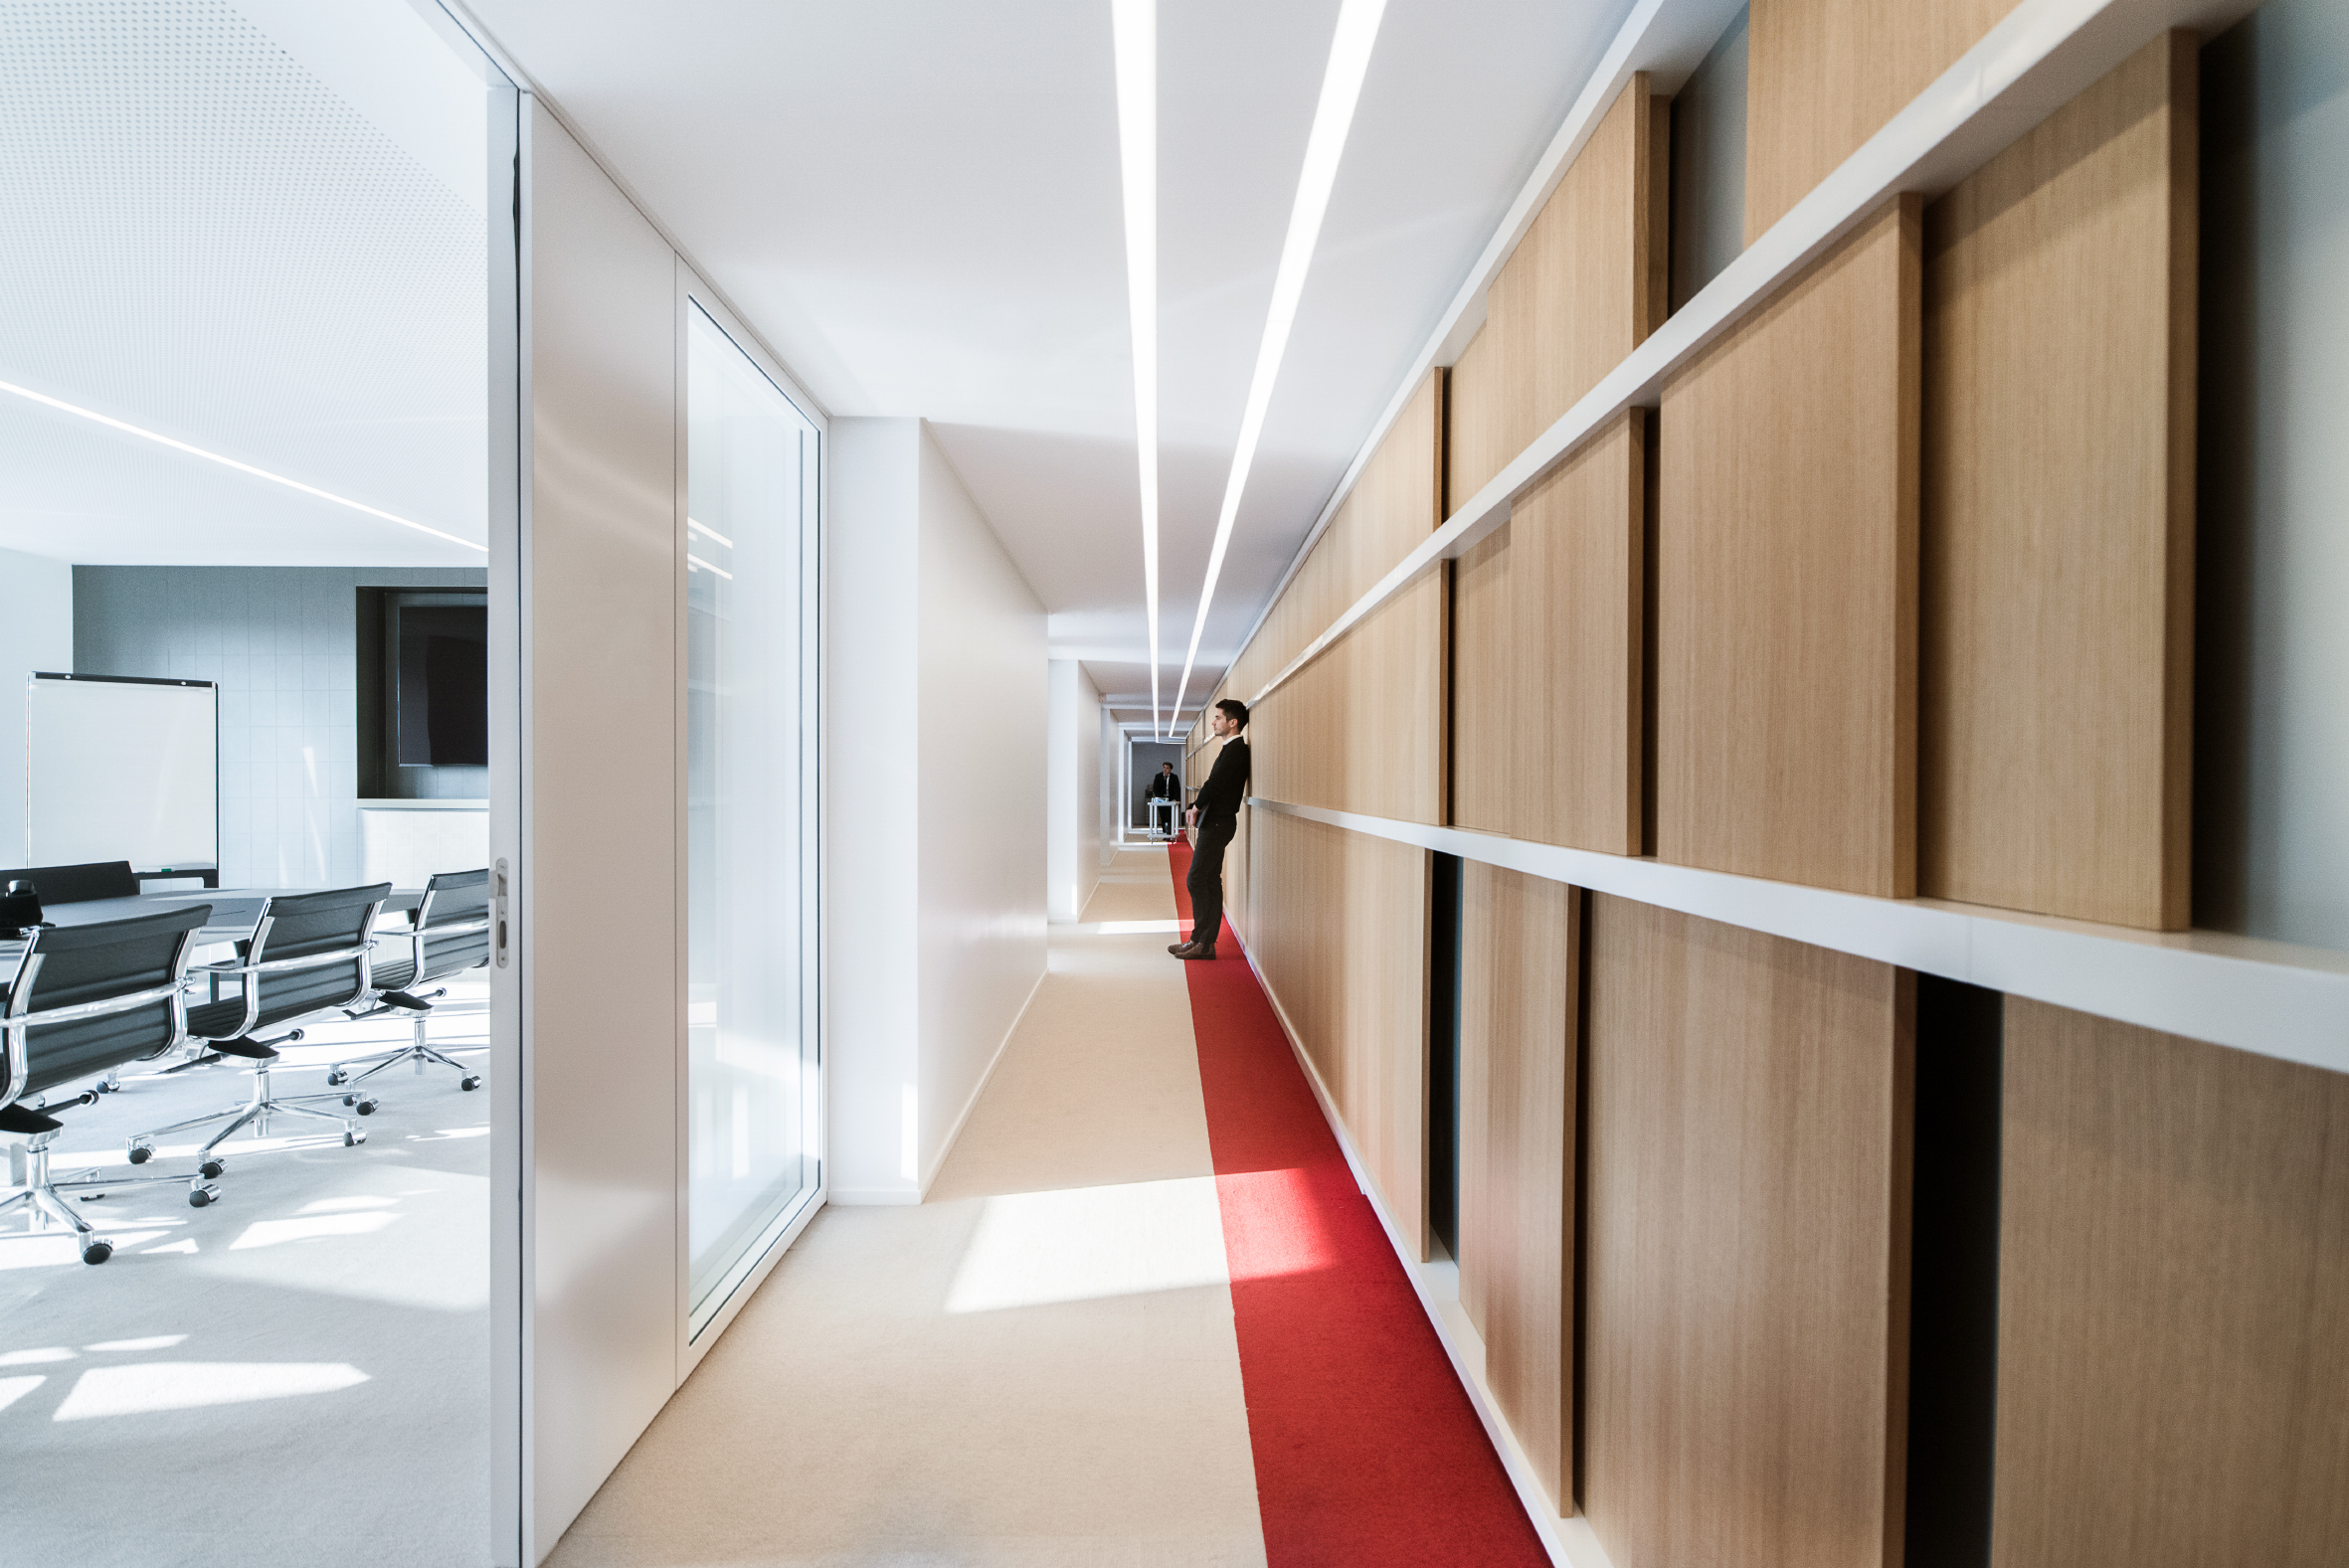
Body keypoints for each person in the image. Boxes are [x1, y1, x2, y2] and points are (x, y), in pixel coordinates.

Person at [1171, 699, 1248, 960]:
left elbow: (1215, 783)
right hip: (1216, 822)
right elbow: (1213, 783)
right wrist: (1195, 805)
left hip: (1218, 824)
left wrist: (1196, 806)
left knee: (1196, 879)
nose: (1213, 722)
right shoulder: (1230, 749)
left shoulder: (1237, 750)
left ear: (1232, 722)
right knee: (1210, 880)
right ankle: (1202, 942)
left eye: (1218, 717)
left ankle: (1201, 940)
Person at [1146, 761, 1181, 839]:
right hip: (1161, 800)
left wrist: (1175, 799)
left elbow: (1177, 789)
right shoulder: (1158, 776)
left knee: (1169, 816)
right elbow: (1155, 788)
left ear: (1171, 769)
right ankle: (1164, 832)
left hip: (1170, 800)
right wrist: (1159, 797)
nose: (1165, 769)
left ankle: (1169, 833)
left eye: (1167, 768)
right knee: (1163, 816)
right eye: (1164, 767)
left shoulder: (1174, 777)